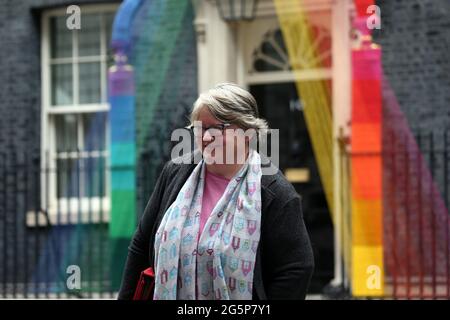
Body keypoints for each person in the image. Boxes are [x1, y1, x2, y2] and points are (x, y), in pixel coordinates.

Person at [118, 83, 314, 300]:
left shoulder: (274, 193)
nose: (206, 137)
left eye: (217, 128)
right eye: (200, 128)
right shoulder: (175, 174)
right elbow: (141, 244)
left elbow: (296, 268)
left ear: (247, 132)